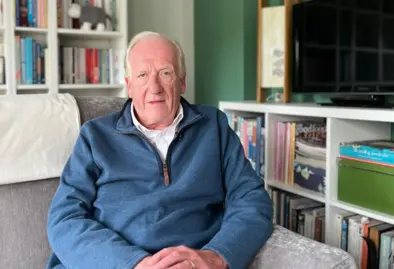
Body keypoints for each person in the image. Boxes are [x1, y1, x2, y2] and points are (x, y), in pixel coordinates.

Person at [46, 31, 274, 269]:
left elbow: (252, 199)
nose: (154, 87)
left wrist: (217, 256)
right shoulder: (95, 136)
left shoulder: (213, 127)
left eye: (165, 73)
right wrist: (135, 264)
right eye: (143, 75)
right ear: (129, 86)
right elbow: (64, 220)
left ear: (182, 81)